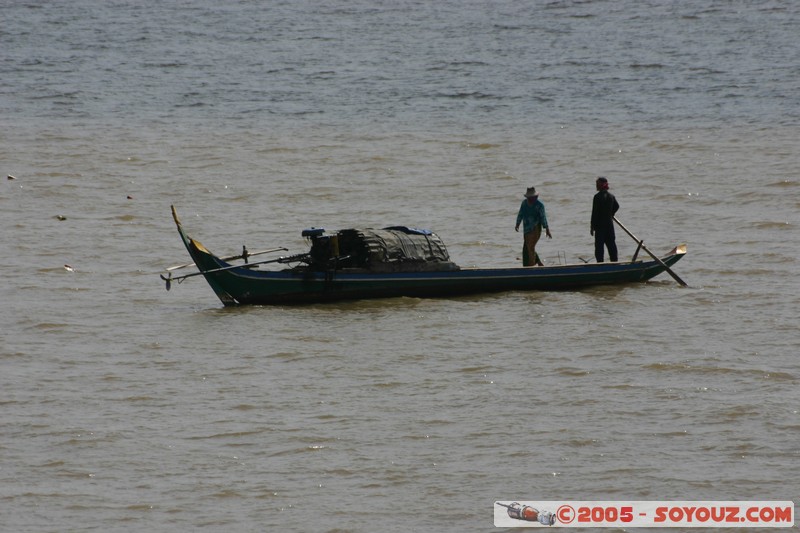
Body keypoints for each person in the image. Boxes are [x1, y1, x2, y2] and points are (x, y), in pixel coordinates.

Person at [515, 186, 552, 266]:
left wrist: (547, 229)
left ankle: (531, 265)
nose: (532, 199)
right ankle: (536, 263)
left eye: (534, 197)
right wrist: (517, 223)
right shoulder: (524, 203)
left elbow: (543, 217)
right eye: (530, 198)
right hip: (526, 229)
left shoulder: (540, 205)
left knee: (530, 247)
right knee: (526, 248)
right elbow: (520, 214)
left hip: (535, 229)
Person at [590, 176, 620, 262]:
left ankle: (600, 264)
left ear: (601, 185)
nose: (596, 185)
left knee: (599, 247)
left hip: (600, 226)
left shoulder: (597, 197)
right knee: (611, 245)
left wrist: (592, 227)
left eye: (597, 184)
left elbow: (594, 213)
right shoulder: (611, 196)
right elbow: (617, 206)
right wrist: (611, 214)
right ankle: (614, 262)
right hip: (609, 225)